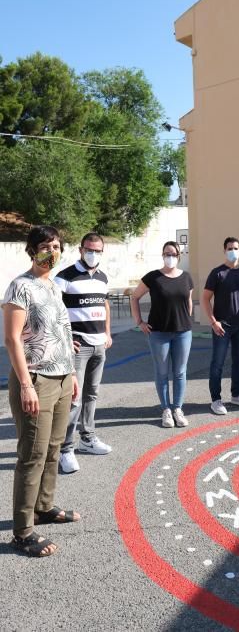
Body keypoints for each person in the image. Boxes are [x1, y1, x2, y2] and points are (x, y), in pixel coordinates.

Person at [2, 225, 80, 557]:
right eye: (45, 246)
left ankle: (44, 507)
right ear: (32, 250)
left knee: (53, 448)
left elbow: (62, 331)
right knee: (32, 456)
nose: (52, 251)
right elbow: (12, 339)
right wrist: (24, 385)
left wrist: (72, 373)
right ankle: (22, 532)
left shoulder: (53, 286)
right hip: (36, 381)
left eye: (57, 246)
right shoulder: (20, 287)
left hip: (62, 378)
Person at [54, 232, 113, 474]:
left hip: (100, 345)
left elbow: (105, 304)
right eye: (89, 249)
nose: (93, 254)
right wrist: (65, 339)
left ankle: (87, 438)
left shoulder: (102, 277)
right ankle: (65, 449)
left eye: (97, 250)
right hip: (78, 346)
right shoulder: (65, 276)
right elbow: (53, 309)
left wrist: (108, 333)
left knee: (92, 394)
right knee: (73, 399)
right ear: (80, 250)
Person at [131, 241, 193, 428]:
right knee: (162, 372)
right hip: (158, 333)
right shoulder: (153, 277)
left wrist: (185, 319)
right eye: (167, 253)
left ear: (179, 256)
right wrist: (139, 322)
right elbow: (134, 297)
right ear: (162, 255)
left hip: (183, 332)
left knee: (180, 372)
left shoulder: (187, 277)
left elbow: (188, 300)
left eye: (173, 254)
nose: (170, 257)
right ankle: (166, 409)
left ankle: (178, 409)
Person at [202, 236, 239, 415]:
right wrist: (213, 321)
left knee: (238, 362)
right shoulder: (217, 273)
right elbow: (205, 299)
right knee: (217, 363)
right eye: (230, 248)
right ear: (224, 251)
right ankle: (216, 400)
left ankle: (236, 394)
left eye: (236, 248)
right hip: (222, 326)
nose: (233, 251)